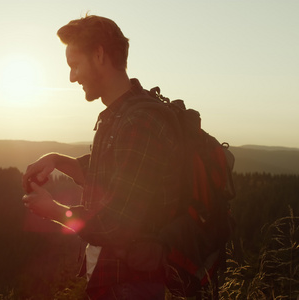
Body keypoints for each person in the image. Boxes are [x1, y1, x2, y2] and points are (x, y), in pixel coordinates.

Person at [22, 15, 182, 299]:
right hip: (114, 278)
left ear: (99, 55)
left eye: (75, 65)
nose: (72, 76)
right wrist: (57, 159)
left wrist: (56, 211)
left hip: (130, 283)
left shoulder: (139, 121)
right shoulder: (121, 114)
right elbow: (108, 177)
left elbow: (119, 224)